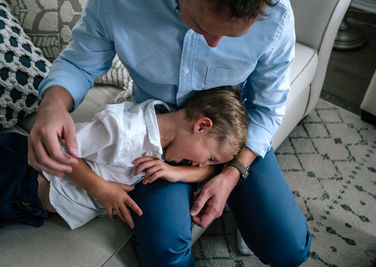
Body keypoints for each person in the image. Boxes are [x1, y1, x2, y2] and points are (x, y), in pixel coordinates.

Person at [28, 0, 312, 266]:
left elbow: (267, 108)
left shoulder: (276, 15)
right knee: (164, 251)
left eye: (233, 35)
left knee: (290, 249)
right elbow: (80, 62)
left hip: (231, 135)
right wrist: (51, 107)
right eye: (204, 28)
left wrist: (231, 173)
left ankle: (240, 205)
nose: (214, 43)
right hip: (155, 136)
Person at [1, 86, 248, 230]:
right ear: (201, 126)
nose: (203, 165)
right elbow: (56, 147)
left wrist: (177, 172)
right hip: (22, 176)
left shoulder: (172, 143)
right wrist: (101, 189)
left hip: (30, 203)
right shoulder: (124, 130)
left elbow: (209, 173)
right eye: (211, 157)